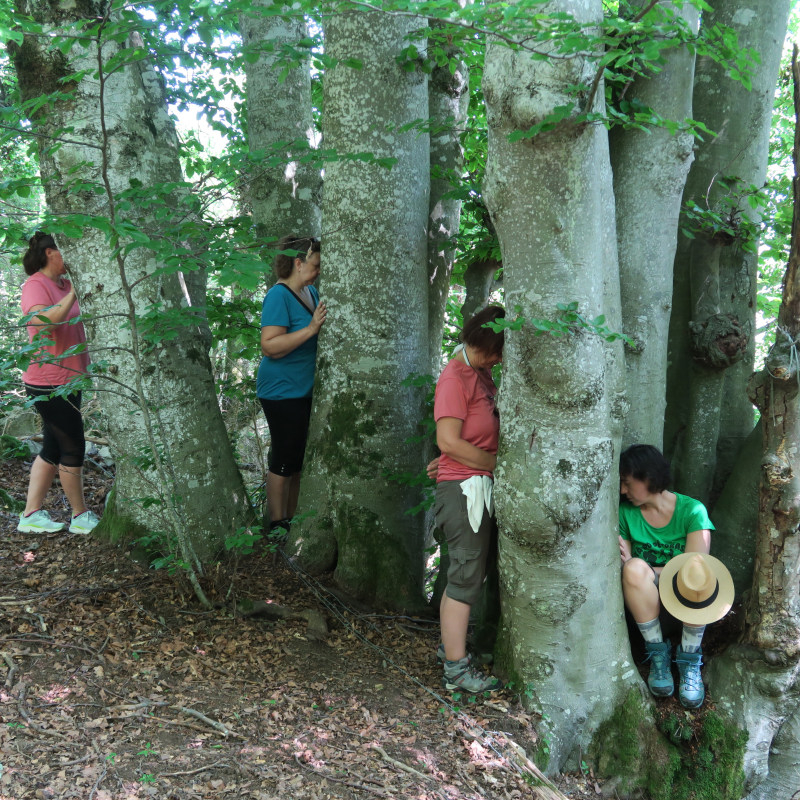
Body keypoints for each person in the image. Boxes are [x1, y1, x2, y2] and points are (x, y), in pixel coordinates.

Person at [618, 444, 730, 708]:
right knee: (633, 569)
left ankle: (690, 660)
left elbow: (694, 569)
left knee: (699, 582)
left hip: (686, 596)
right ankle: (659, 657)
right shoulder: (625, 513)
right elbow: (630, 567)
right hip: (645, 598)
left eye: (627, 483)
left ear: (648, 477)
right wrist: (656, 569)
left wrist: (651, 569)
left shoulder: (692, 511)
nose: (622, 491)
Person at [432, 305, 505, 694]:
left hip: (477, 484)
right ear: (482, 342)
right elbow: (448, 441)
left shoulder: (483, 375)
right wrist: (496, 464)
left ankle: (452, 651)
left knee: (470, 573)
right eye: (496, 349)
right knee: (464, 576)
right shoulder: (455, 377)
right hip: (464, 491)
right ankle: (456, 670)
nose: (499, 357)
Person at [17, 232, 99, 535]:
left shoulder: (63, 284)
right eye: (67, 252)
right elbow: (45, 320)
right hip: (48, 381)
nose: (71, 259)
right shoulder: (36, 285)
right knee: (73, 446)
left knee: (52, 447)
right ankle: (80, 516)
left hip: (69, 379)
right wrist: (74, 293)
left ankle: (31, 515)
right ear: (51, 253)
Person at [257, 235, 326, 537]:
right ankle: (277, 523)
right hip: (281, 391)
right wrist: (311, 329)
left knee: (298, 459)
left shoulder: (311, 291)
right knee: (285, 456)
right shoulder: (279, 295)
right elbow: (270, 346)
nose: (319, 270)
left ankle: (293, 520)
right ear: (298, 263)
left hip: (303, 389)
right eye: (315, 264)